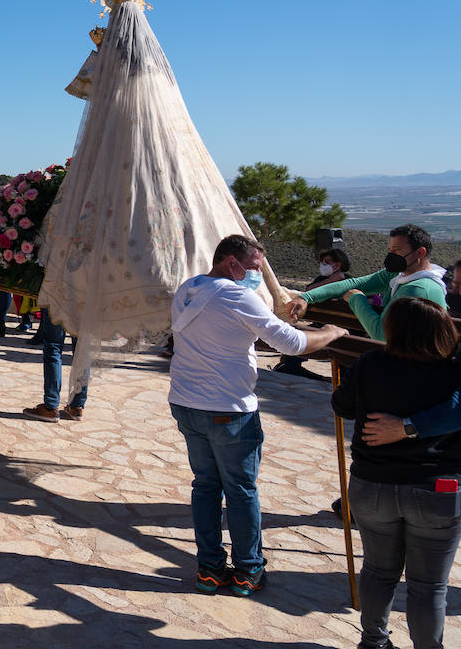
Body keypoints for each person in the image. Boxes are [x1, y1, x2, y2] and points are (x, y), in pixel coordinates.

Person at [169, 234, 345, 595]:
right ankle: (248, 570)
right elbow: (292, 344)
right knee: (241, 490)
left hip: (187, 402)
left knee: (204, 487)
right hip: (229, 408)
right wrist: (330, 332)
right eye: (253, 267)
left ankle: (209, 569)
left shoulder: (189, 289)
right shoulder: (236, 295)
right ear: (231, 263)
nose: (256, 275)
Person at [331, 297, 461, 649]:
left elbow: (342, 405)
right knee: (428, 586)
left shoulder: (370, 364)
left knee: (378, 570)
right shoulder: (453, 372)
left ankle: (372, 645)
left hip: (372, 485)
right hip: (437, 489)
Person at [288, 224, 446, 340]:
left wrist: (356, 299)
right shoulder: (398, 276)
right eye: (390, 251)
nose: (391, 256)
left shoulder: (417, 289)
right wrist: (306, 297)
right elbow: (353, 284)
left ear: (420, 252)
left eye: (398, 251)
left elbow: (381, 335)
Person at [272, 247, 351, 380]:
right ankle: (290, 367)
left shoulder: (350, 281)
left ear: (338, 264)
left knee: (345, 344)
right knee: (297, 332)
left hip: (344, 328)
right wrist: (331, 280)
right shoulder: (321, 279)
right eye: (322, 262)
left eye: (326, 262)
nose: (323, 265)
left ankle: (343, 377)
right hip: (320, 325)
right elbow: (308, 291)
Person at [21, 310, 86, 422]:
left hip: (58, 297)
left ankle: (51, 406)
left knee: (53, 347)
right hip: (85, 299)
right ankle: (77, 406)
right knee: (82, 350)